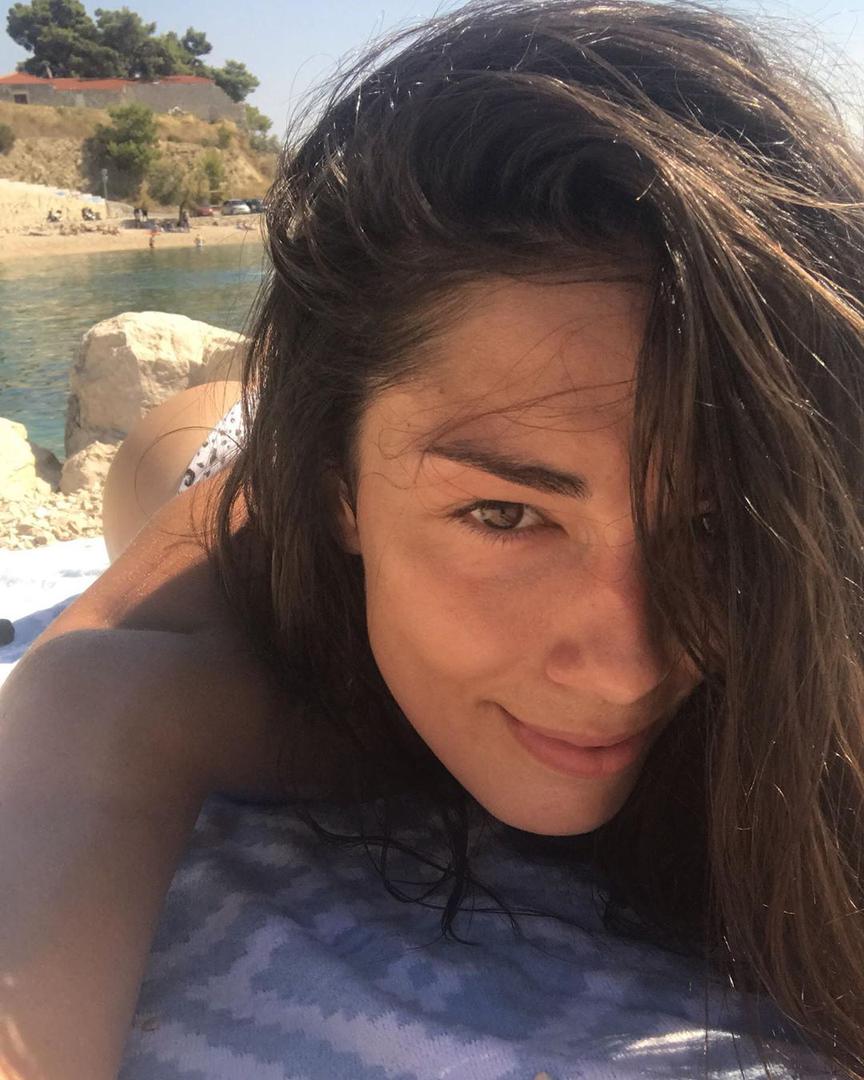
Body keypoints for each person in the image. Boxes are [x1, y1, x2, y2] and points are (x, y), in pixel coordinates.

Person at [3, 1, 864, 1077]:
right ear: (340, 491)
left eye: (710, 522)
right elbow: (82, 714)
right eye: (505, 515)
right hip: (224, 451)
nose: (625, 668)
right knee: (183, 442)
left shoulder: (810, 550)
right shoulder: (222, 633)